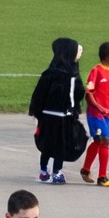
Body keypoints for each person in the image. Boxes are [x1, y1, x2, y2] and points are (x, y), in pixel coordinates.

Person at [29, 38, 84, 186]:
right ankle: (57, 172)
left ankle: (43, 171)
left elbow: (38, 94)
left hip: (47, 115)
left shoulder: (48, 73)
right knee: (61, 145)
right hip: (63, 116)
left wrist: (37, 112)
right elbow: (76, 94)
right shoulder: (71, 75)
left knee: (47, 145)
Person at [81, 41, 109, 186]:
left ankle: (85, 170)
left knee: (99, 141)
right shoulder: (96, 71)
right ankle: (102, 177)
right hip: (96, 114)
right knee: (105, 141)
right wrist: (98, 107)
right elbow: (89, 93)